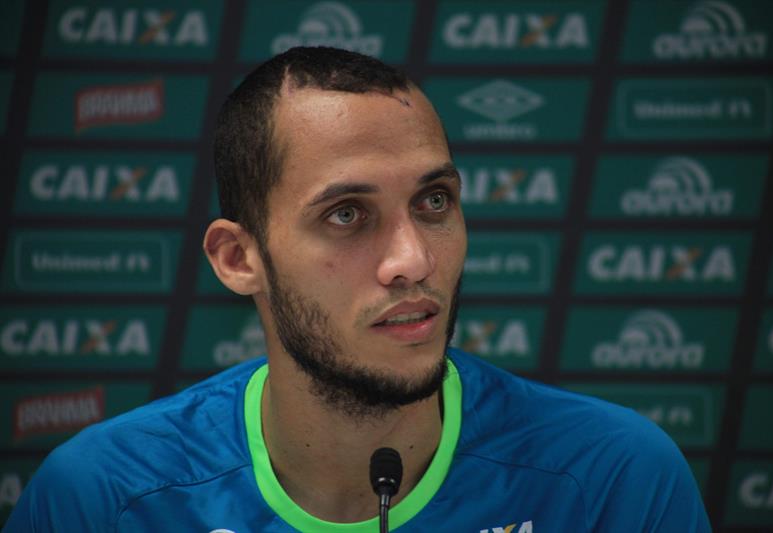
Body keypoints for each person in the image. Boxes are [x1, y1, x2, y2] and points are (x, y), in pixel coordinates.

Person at [5, 47, 711, 532]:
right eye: (347, 215)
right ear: (238, 257)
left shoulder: (612, 480)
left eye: (434, 201)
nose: (411, 259)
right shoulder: (101, 498)